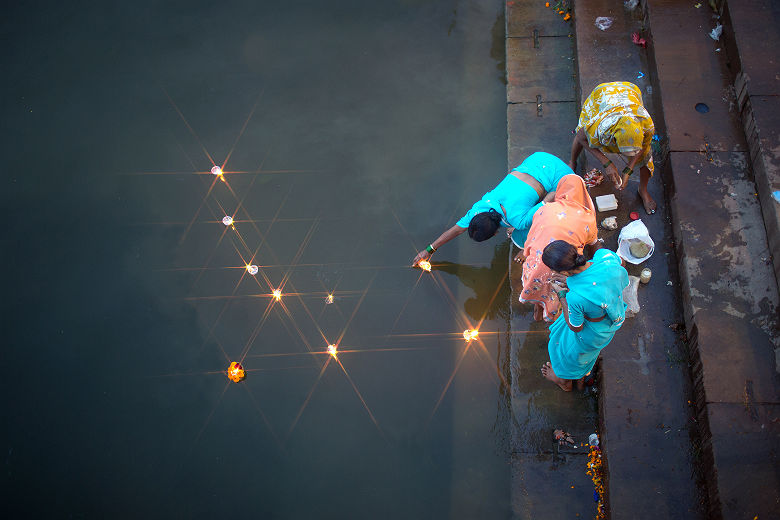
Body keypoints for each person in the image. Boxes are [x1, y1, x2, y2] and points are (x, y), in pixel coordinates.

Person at [412, 152, 573, 266]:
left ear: (496, 233)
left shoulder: (518, 220)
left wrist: (560, 189)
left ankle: (527, 249)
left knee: (530, 227)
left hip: (560, 174)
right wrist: (429, 250)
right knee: (523, 210)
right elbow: (455, 230)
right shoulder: (480, 208)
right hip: (537, 158)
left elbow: (548, 200)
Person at [540, 240, 629, 392]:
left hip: (589, 331)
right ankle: (581, 378)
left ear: (563, 273)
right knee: (585, 354)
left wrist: (562, 295)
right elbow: (620, 266)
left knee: (567, 352)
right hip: (607, 325)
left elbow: (576, 327)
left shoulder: (575, 297)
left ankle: (564, 381)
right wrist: (572, 281)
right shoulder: (604, 257)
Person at [518, 174, 599, 322]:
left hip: (535, 267)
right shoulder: (587, 217)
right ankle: (548, 315)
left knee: (537, 286)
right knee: (556, 293)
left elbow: (531, 239)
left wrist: (527, 253)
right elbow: (594, 244)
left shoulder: (545, 210)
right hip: (562, 269)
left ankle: (537, 309)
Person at [569, 81, 657, 214]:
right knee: (582, 133)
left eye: (634, 150)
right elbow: (581, 137)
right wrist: (607, 163)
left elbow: (644, 147)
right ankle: (572, 161)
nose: (632, 155)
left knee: (646, 158)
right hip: (602, 95)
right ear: (614, 140)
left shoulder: (646, 125)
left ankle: (643, 190)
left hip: (629, 91)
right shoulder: (601, 127)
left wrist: (629, 169)